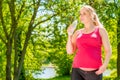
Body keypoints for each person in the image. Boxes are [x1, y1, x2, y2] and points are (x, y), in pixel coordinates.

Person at [66, 5, 112, 80]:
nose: (81, 16)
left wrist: (104, 65)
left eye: (84, 13)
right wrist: (69, 35)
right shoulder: (77, 32)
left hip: (95, 72)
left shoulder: (100, 30)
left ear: (91, 15)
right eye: (80, 14)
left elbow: (108, 50)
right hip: (77, 70)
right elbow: (70, 51)